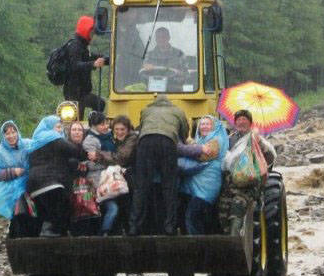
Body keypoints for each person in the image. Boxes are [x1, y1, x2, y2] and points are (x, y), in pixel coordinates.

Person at [128, 94, 189, 236]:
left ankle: (134, 227)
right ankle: (169, 227)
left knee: (141, 187)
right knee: (169, 186)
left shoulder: (146, 110)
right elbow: (184, 133)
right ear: (169, 102)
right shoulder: (178, 111)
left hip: (145, 143)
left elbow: (142, 128)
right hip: (167, 142)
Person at [218, 109, 277, 235]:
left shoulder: (256, 139)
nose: (241, 122)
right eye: (238, 120)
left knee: (237, 207)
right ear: (235, 123)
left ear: (250, 123)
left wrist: (259, 142)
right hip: (230, 184)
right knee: (222, 211)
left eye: (244, 120)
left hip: (248, 185)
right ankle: (227, 238)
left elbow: (270, 157)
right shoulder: (229, 139)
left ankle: (236, 241)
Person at [26, 115, 83, 237]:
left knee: (48, 212)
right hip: (49, 183)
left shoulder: (35, 143)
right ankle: (50, 231)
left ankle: (51, 235)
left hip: (33, 185)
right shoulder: (55, 139)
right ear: (49, 128)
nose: (59, 129)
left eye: (60, 127)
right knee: (65, 205)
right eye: (57, 127)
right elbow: (75, 151)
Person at [180, 116, 228, 235]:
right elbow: (197, 151)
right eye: (202, 124)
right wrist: (195, 147)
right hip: (195, 185)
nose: (204, 126)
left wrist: (188, 147)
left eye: (208, 124)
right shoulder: (201, 141)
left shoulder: (217, 140)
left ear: (214, 127)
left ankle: (197, 245)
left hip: (207, 185)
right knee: (199, 217)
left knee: (192, 216)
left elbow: (203, 156)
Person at [94, 115, 138, 233]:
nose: (119, 132)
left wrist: (99, 155)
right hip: (125, 177)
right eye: (116, 129)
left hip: (133, 177)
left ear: (128, 129)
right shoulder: (119, 141)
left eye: (122, 129)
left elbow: (121, 158)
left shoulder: (132, 139)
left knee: (129, 205)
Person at [0, 120, 30, 219]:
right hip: (8, 184)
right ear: (3, 136)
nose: (11, 136)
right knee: (16, 195)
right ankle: (17, 221)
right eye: (7, 133)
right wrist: (13, 172)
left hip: (29, 177)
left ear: (17, 132)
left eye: (13, 132)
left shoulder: (28, 144)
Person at [63, 15, 109, 117]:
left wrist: (109, 59)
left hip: (82, 93)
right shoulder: (75, 46)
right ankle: (88, 127)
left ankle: (94, 124)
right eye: (91, 32)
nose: (93, 35)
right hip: (74, 93)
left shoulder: (83, 47)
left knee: (99, 103)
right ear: (85, 30)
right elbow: (74, 65)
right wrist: (93, 63)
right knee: (76, 121)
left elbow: (91, 58)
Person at [82, 111, 119, 236]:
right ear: (93, 126)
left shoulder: (109, 137)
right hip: (96, 182)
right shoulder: (90, 141)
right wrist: (111, 161)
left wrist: (104, 158)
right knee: (109, 208)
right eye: (102, 124)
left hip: (109, 179)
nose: (106, 126)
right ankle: (103, 232)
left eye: (106, 123)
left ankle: (104, 232)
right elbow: (91, 164)